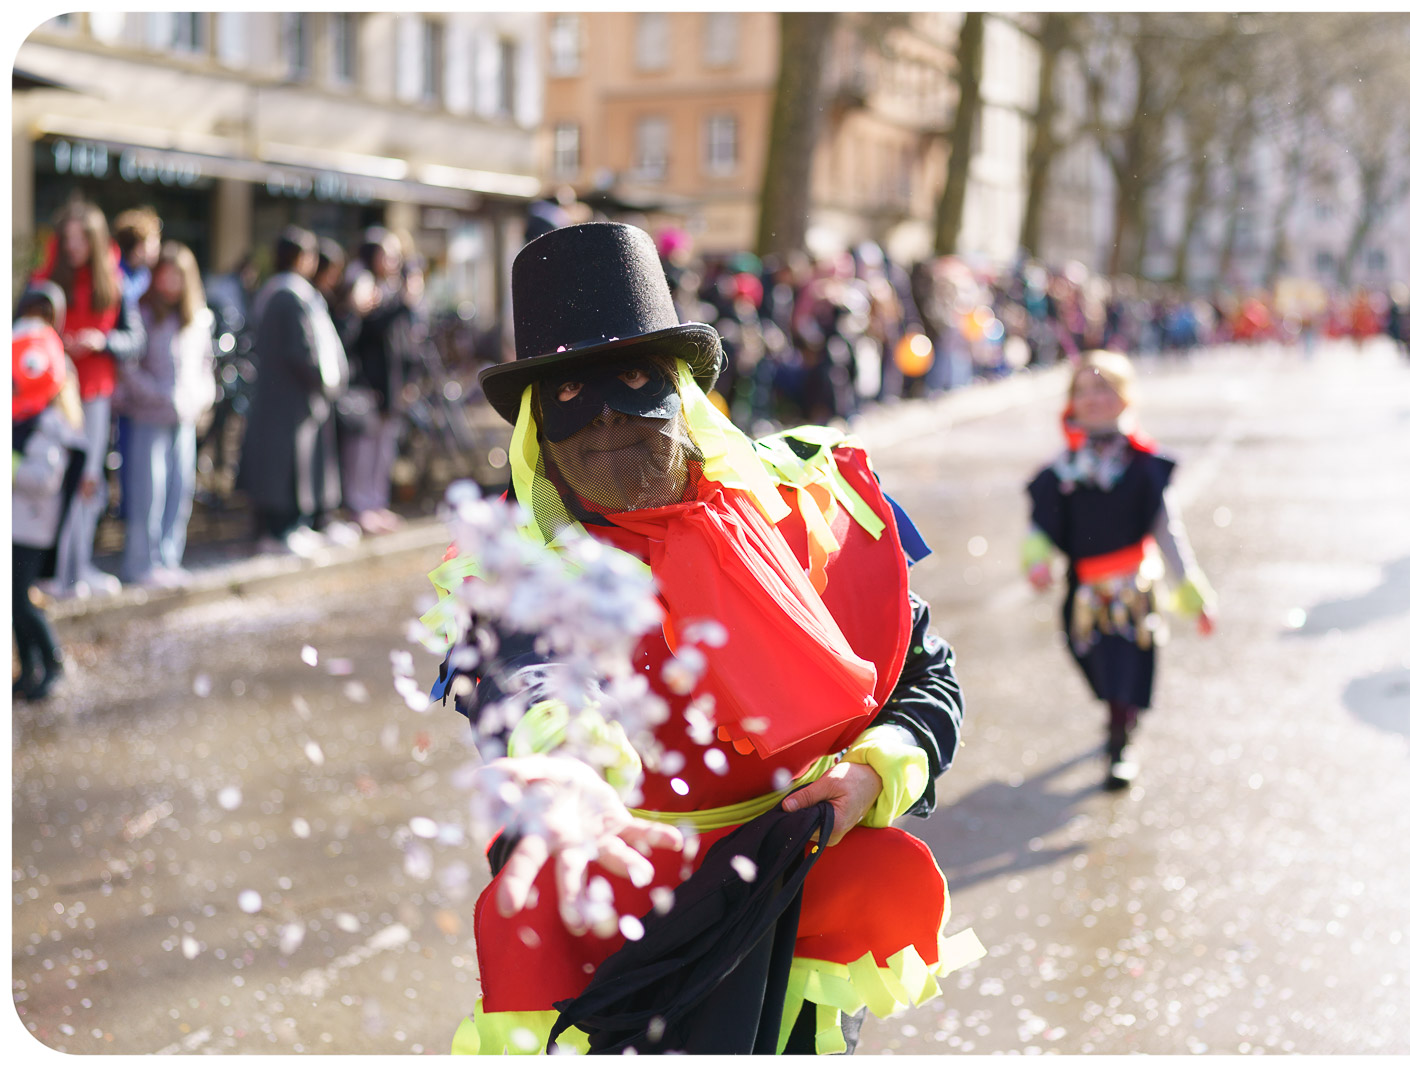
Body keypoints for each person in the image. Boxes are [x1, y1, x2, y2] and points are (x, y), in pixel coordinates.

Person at [425, 222, 979, 1054]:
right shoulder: (515, 562)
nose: (607, 417)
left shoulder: (809, 512)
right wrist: (576, 767)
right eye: (570, 394)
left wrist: (874, 771)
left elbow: (923, 675)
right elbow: (523, 679)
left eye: (635, 378)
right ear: (538, 423)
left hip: (798, 881)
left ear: (684, 392)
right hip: (622, 908)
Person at [1024, 350, 1217, 789]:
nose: (1095, 399)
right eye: (1085, 390)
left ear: (1126, 398)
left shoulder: (1145, 467)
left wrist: (1194, 596)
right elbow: (1040, 526)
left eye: (1105, 388)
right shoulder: (1062, 470)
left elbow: (1169, 534)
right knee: (1094, 665)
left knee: (1123, 670)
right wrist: (1036, 561)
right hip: (1083, 591)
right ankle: (1116, 716)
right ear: (1071, 402)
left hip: (1133, 593)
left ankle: (1119, 742)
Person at [32, 198, 146, 598]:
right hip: (53, 398)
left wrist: (102, 341)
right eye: (69, 240)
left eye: (82, 240)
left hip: (95, 397)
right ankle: (55, 572)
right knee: (52, 482)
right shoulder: (45, 281)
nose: (75, 247)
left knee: (88, 484)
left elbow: (134, 340)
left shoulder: (112, 282)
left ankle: (77, 568)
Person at [234, 225, 348, 556]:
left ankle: (291, 527)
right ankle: (279, 531)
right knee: (283, 467)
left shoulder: (280, 292)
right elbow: (301, 350)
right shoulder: (288, 295)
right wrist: (320, 378)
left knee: (287, 464)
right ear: (301, 258)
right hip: (289, 394)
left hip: (284, 393)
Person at [113, 241, 215, 587]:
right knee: (147, 493)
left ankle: (169, 558)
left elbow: (206, 366)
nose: (170, 283)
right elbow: (128, 368)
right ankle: (141, 563)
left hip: (184, 419)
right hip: (147, 416)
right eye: (165, 275)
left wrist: (199, 398)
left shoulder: (197, 317)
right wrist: (158, 395)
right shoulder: (139, 312)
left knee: (179, 491)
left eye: (177, 276)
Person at [13, 283, 87, 701]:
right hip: (17, 520)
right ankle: (28, 669)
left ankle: (52, 663)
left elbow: (44, 478)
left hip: (33, 524)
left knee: (19, 599)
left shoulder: (50, 419)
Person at [342, 228, 413, 535]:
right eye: (388, 254)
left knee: (384, 449)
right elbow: (370, 328)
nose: (394, 261)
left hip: (393, 383)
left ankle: (376, 502)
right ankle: (360, 506)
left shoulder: (392, 288)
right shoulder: (365, 285)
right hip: (369, 383)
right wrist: (403, 303)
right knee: (364, 450)